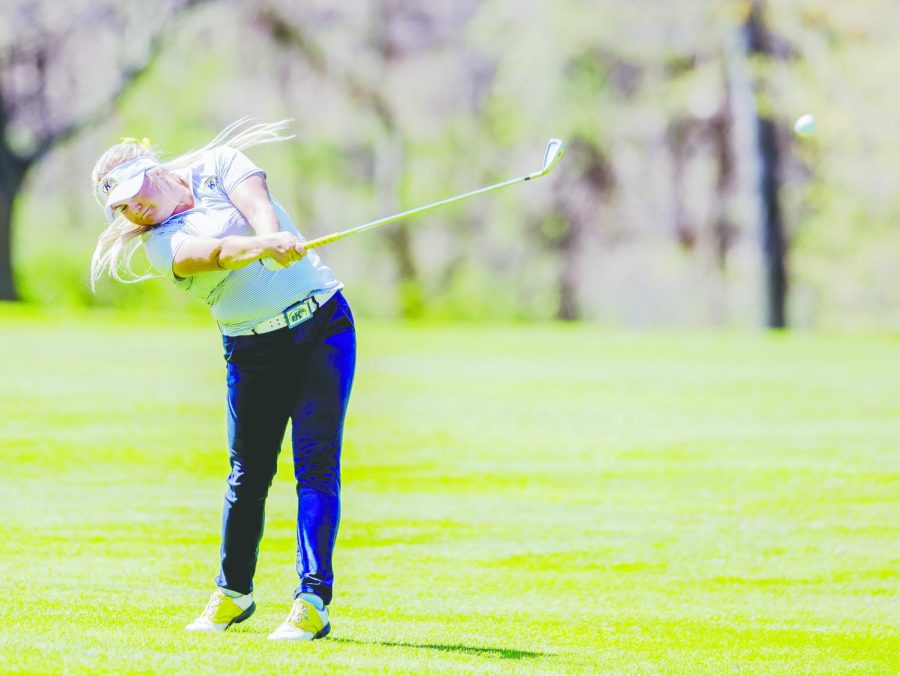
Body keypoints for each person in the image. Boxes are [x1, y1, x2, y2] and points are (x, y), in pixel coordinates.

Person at [90, 120, 355, 641]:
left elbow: (257, 203)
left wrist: (268, 234)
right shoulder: (161, 244)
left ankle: (311, 601)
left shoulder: (220, 164)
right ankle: (234, 593)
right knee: (248, 476)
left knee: (316, 466)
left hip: (323, 325)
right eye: (121, 208)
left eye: (133, 194)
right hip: (254, 350)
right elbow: (212, 255)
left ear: (154, 172)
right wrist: (263, 248)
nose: (133, 210)